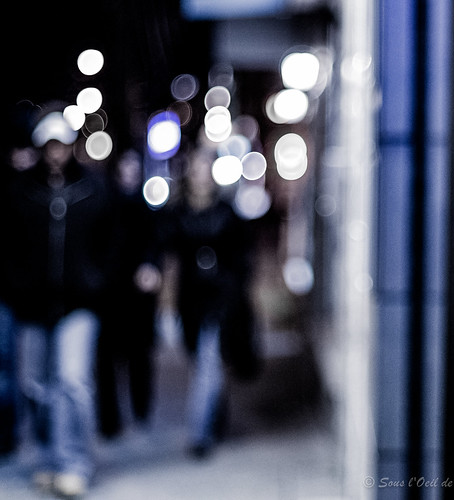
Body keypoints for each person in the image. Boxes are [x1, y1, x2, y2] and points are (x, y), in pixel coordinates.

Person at [2, 105, 116, 497]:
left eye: (62, 144)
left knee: (72, 380)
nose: (56, 152)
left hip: (78, 303)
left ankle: (74, 462)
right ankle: (51, 457)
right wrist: (15, 283)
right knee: (35, 385)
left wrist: (97, 280)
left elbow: (111, 240)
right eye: (49, 144)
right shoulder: (20, 191)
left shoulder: (93, 188)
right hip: (32, 304)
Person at [161, 146, 261, 458]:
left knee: (209, 362)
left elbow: (244, 256)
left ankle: (199, 434)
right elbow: (166, 254)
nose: (201, 176)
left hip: (222, 297)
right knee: (202, 361)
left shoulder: (227, 213)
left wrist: (236, 288)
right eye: (196, 169)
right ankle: (215, 413)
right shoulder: (177, 214)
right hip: (191, 300)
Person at [96, 148, 162, 438]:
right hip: (110, 294)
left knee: (139, 357)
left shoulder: (145, 209)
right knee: (108, 360)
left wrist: (150, 266)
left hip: (138, 298)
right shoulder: (104, 205)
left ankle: (140, 409)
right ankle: (110, 420)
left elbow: (156, 244)